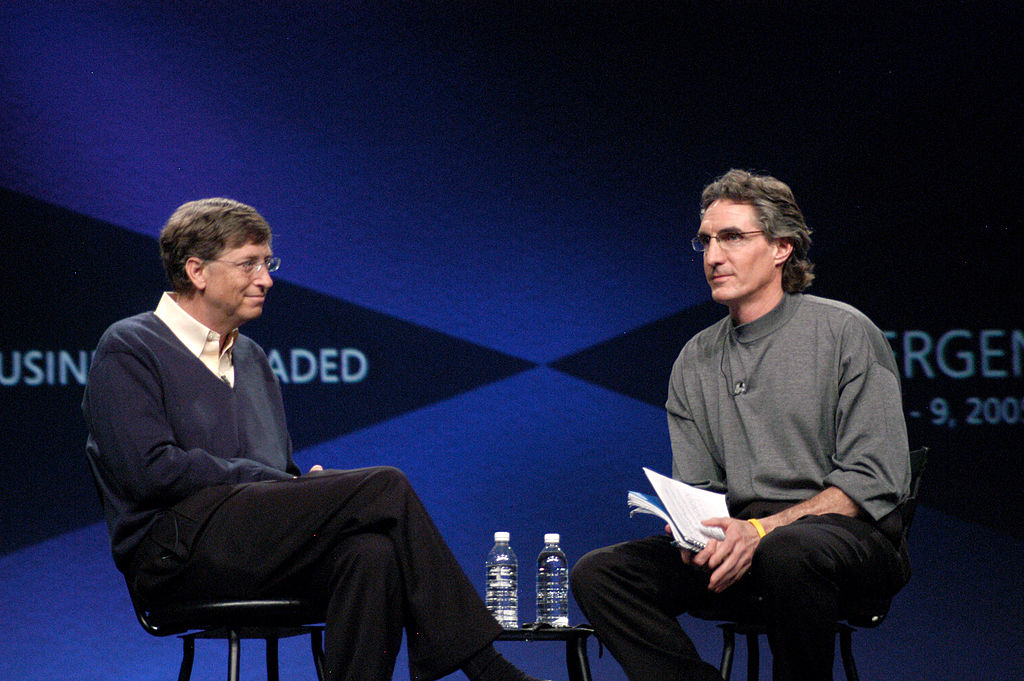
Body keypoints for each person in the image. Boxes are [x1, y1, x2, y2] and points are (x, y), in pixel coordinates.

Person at [83, 198, 544, 681]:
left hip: (250, 544)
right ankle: (487, 667)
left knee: (372, 555)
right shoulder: (130, 346)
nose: (266, 279)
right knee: (384, 486)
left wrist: (297, 487)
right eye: (249, 264)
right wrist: (282, 488)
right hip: (175, 559)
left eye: (267, 263)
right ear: (197, 270)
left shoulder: (253, 360)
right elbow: (152, 472)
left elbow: (269, 472)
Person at [570, 170, 912, 681]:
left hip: (846, 541)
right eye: (706, 241)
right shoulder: (695, 358)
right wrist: (699, 536)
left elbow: (873, 480)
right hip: (741, 543)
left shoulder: (844, 332)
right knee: (600, 573)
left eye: (732, 237)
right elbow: (702, 490)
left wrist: (760, 531)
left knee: (788, 550)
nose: (712, 257)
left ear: (781, 248)